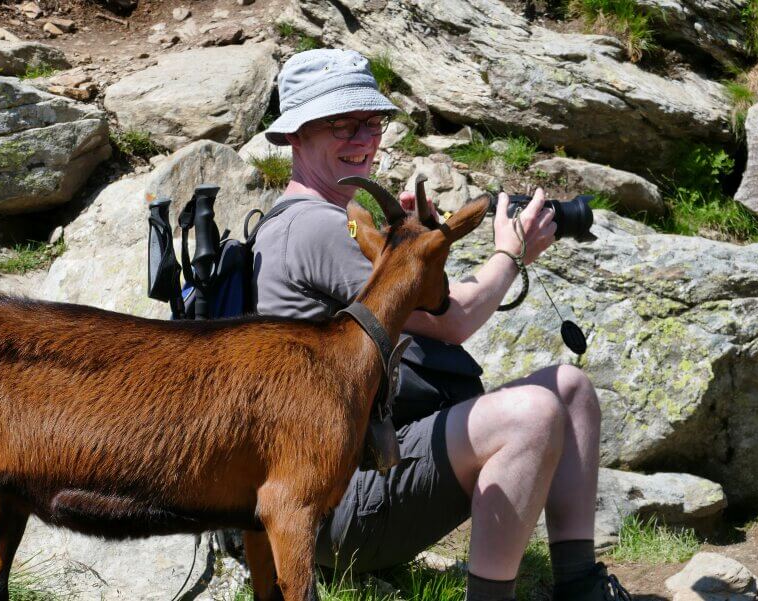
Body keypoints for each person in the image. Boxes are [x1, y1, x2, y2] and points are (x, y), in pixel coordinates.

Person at [252, 48, 628, 601]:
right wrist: (511, 254)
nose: (363, 138)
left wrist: (412, 244)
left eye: (372, 122)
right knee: (532, 414)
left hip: (365, 464)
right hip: (325, 508)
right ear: (295, 137)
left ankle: (580, 586)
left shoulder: (335, 221)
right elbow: (453, 324)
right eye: (341, 123)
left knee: (571, 390)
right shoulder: (317, 229)